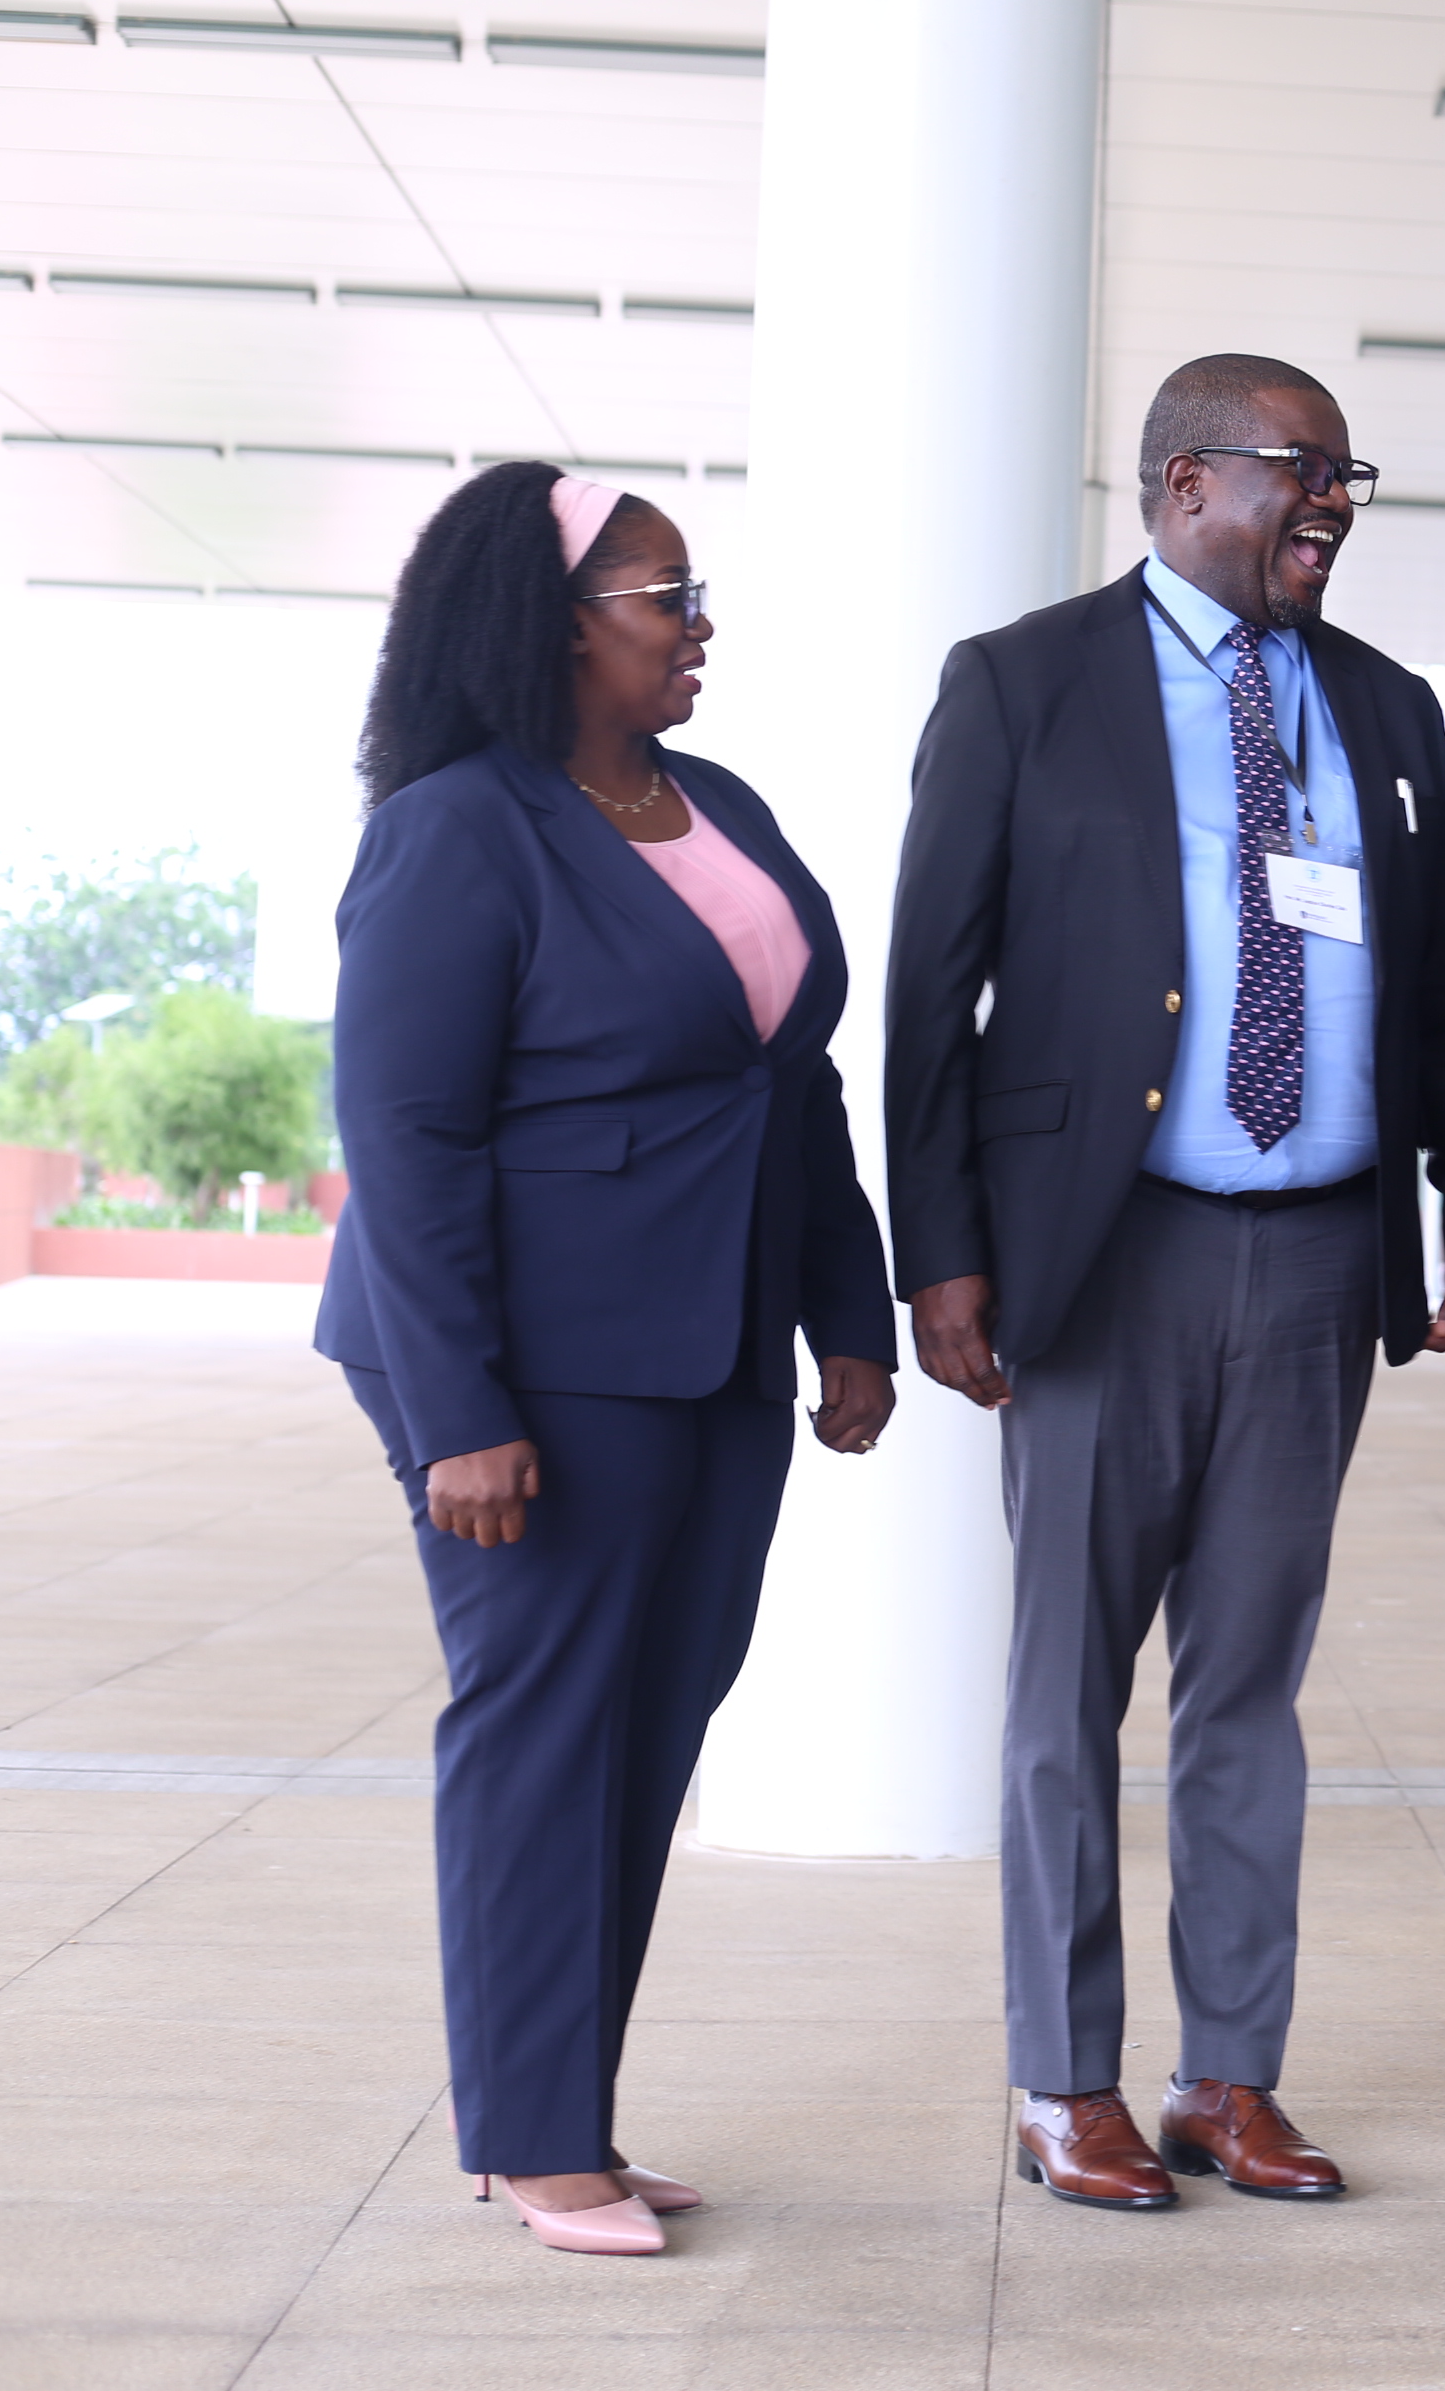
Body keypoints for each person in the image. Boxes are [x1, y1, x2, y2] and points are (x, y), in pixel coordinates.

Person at [884, 356, 1445, 2212]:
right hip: (1108, 1257)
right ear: (1183, 481)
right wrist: (943, 1252)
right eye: (1298, 472)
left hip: (1323, 1256)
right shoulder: (1026, 683)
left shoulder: (1391, 710)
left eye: (1350, 477)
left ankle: (1225, 2076)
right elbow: (934, 994)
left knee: (1251, 1687)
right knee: (1065, 1687)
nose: (1330, 504)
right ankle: (1061, 2079)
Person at [319, 461, 900, 2256]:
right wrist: (460, 1418)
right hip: (534, 1370)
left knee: (648, 1732)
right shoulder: (457, 827)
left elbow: (787, 1081)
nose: (697, 619)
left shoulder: (712, 803)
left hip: (713, 1340)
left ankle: (565, 2106)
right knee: (541, 1735)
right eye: (666, 590)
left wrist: (847, 1314)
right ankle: (526, 2132)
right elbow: (403, 1141)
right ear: (558, 621)